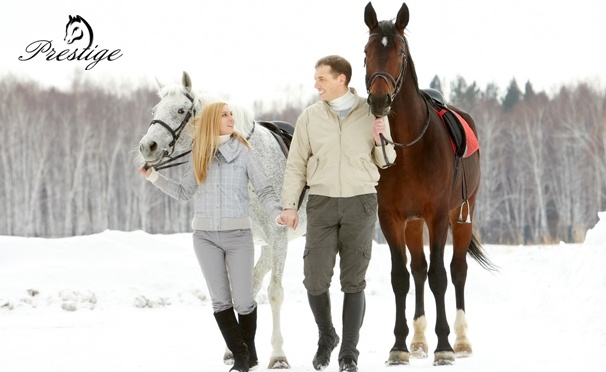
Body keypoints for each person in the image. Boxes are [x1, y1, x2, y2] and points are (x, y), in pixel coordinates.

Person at [139, 102, 284, 372]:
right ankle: (242, 358)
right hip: (204, 237)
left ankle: (248, 352)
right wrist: (155, 178)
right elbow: (184, 192)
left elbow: (264, 190)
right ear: (210, 122)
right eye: (225, 115)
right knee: (220, 301)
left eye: (231, 114)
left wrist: (278, 212)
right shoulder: (199, 154)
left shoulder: (244, 152)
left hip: (239, 235)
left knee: (243, 300)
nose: (231, 118)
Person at [278, 55, 396, 372]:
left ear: (341, 79)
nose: (316, 84)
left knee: (353, 281)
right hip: (321, 202)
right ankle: (327, 336)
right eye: (316, 79)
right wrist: (289, 205)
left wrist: (381, 134)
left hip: (361, 201)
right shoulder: (310, 117)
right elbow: (296, 164)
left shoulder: (371, 112)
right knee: (314, 278)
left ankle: (348, 352)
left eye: (322, 79)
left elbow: (386, 161)